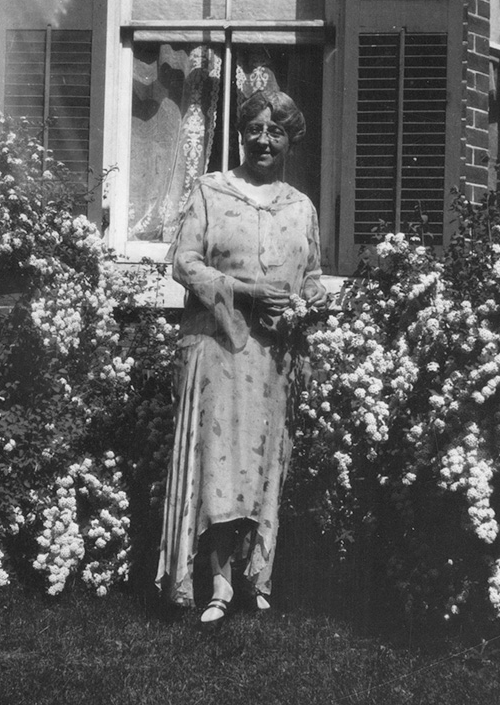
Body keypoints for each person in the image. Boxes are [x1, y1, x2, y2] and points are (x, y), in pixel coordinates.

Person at [155, 90, 327, 627]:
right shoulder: (211, 191)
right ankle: (217, 581)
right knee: (218, 460)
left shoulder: (301, 206)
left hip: (274, 354)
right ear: (241, 135)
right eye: (254, 129)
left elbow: (312, 273)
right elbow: (182, 262)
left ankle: (256, 576)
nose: (263, 140)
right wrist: (244, 291)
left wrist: (313, 295)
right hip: (217, 346)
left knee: (262, 462)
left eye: (275, 131)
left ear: (290, 140)